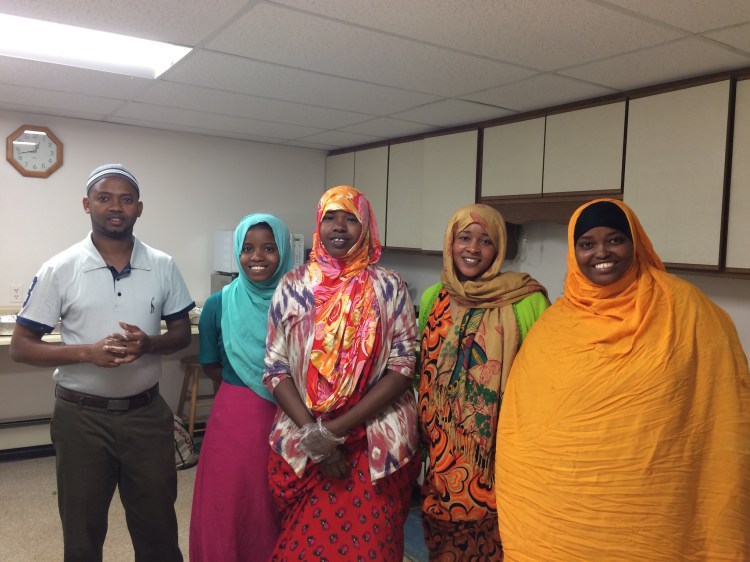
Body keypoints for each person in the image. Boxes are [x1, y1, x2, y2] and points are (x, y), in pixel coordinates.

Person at [495, 199, 750, 561]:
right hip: (562, 515)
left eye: (615, 239)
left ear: (636, 244)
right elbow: (525, 424)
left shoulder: (687, 310)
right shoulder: (554, 326)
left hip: (654, 513)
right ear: (574, 251)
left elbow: (722, 408)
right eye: (587, 244)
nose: (602, 252)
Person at [10, 164, 194, 562]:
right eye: (104, 198)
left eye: (126, 199)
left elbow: (180, 334)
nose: (116, 207)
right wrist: (86, 353)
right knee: (82, 527)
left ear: (139, 208)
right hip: (81, 419)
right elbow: (21, 347)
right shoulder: (60, 268)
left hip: (146, 415)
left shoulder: (162, 265)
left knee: (158, 525)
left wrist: (148, 345)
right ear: (86, 204)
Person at [263, 185, 420, 562]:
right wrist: (314, 437)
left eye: (350, 218)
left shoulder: (388, 286)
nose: (339, 226)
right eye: (331, 217)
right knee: (300, 550)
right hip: (305, 435)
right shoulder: (293, 285)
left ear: (365, 226)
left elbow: (402, 365)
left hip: (372, 440)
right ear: (318, 224)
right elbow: (275, 367)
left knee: (371, 548)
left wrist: (333, 432)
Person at [417, 203, 548, 560]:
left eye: (485, 240)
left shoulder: (527, 301)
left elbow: (543, 381)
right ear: (450, 243)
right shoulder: (434, 297)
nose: (473, 249)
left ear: (500, 248)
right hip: (441, 458)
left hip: (499, 459)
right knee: (443, 547)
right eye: (464, 238)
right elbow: (420, 371)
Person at [189, 213, 293, 561]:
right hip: (234, 418)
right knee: (232, 504)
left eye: (268, 248)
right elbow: (211, 363)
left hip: (294, 416)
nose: (257, 257)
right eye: (247, 248)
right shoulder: (219, 305)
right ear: (237, 252)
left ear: (284, 252)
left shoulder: (301, 303)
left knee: (279, 502)